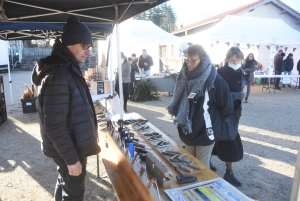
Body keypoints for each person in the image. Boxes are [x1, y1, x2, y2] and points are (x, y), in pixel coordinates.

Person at [31, 16, 101, 200]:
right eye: (85, 46)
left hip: (72, 146)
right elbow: (54, 125)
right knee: (73, 193)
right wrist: (71, 159)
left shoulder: (68, 67)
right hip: (69, 150)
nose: (89, 51)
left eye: (90, 46)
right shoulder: (59, 74)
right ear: (70, 43)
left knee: (65, 184)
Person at [167, 44, 233, 168]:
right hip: (188, 130)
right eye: (187, 60)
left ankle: (201, 187)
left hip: (206, 132)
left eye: (193, 60)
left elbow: (227, 107)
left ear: (202, 58)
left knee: (201, 167)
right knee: (189, 163)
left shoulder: (215, 80)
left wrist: (214, 122)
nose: (189, 63)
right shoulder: (183, 76)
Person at [212, 47, 246, 187]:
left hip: (235, 112)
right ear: (227, 59)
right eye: (232, 60)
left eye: (238, 60)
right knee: (225, 139)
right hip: (222, 113)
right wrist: (236, 96)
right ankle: (229, 172)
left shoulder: (241, 72)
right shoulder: (219, 73)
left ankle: (226, 171)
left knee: (222, 139)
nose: (235, 62)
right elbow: (216, 94)